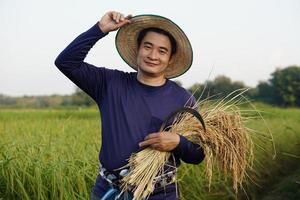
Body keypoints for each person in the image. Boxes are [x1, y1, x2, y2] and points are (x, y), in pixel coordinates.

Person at [55, 11, 205, 200]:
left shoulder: (182, 99)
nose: (153, 55)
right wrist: (100, 29)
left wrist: (178, 142)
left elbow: (198, 154)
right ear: (138, 49)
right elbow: (66, 62)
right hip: (108, 191)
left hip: (159, 194)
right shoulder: (109, 83)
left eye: (162, 50)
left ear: (171, 58)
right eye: (147, 47)